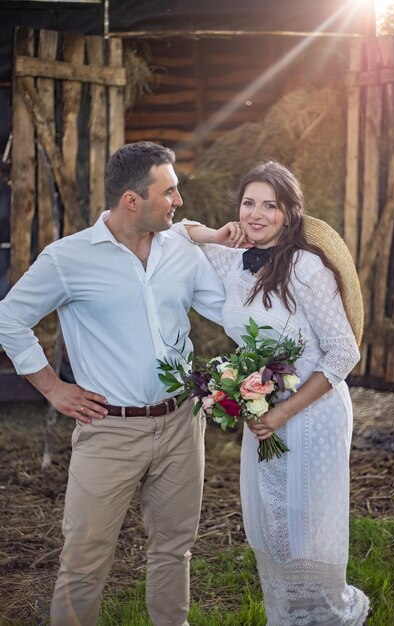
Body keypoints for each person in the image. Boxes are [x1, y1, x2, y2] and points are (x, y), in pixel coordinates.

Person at [0, 142, 226, 626]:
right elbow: (9, 318)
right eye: (169, 192)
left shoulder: (181, 248)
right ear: (131, 200)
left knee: (174, 549)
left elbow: (226, 309)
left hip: (183, 424)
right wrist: (52, 388)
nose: (179, 201)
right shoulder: (68, 258)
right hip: (109, 431)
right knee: (83, 562)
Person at [174, 161, 370, 625]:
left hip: (312, 408)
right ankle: (287, 614)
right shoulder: (230, 257)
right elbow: (179, 230)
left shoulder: (305, 267)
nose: (257, 215)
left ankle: (330, 613)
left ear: (289, 213)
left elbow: (344, 354)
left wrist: (282, 415)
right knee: (273, 518)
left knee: (309, 523)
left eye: (270, 205)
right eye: (249, 203)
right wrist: (217, 235)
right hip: (262, 409)